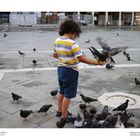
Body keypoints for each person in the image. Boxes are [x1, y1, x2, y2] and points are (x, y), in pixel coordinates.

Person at [52, 19, 106, 128]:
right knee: (68, 95)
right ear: (72, 31)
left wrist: (65, 57)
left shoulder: (57, 40)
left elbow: (55, 55)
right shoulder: (72, 43)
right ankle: (64, 116)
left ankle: (59, 110)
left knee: (61, 91)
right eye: (76, 35)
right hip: (70, 71)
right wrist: (96, 63)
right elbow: (81, 58)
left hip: (60, 70)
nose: (76, 37)